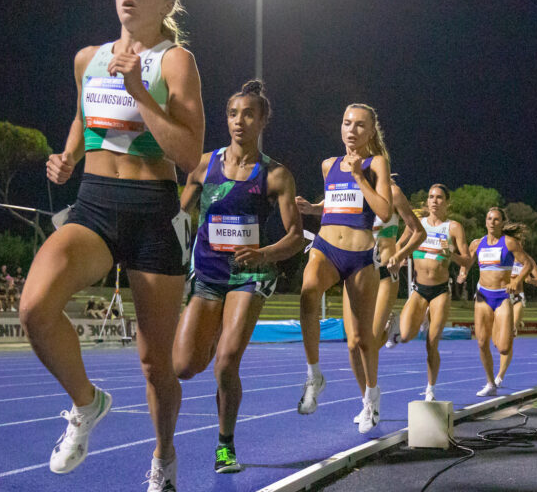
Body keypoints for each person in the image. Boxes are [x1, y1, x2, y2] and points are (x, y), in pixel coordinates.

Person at [18, 0, 203, 492]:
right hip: (95, 203)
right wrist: (69, 155)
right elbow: (83, 112)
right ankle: (86, 402)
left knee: (154, 363)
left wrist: (141, 93)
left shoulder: (176, 62)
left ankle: (164, 457)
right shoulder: (88, 58)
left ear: (166, 1)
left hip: (153, 212)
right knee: (34, 308)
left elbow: (190, 154)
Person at [173, 80, 303, 473]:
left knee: (226, 364)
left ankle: (225, 446)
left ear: (262, 120)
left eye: (248, 114)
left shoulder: (276, 175)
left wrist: (263, 253)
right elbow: (177, 219)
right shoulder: (203, 166)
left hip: (250, 275)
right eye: (232, 114)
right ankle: (215, 333)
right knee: (183, 366)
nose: (239, 121)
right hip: (208, 274)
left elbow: (296, 238)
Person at [296, 103, 393, 434]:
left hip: (360, 256)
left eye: (360, 125)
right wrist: (313, 207)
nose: (351, 130)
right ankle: (314, 375)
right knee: (308, 293)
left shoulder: (376, 163)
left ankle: (371, 397)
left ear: (370, 131)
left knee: (362, 340)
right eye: (347, 123)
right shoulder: (328, 165)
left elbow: (383, 208)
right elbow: (335, 198)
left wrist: (358, 176)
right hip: (326, 246)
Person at [296, 175, 425, 423]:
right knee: (354, 343)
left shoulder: (393, 193)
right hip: (357, 267)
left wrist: (399, 253)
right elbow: (331, 203)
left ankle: (388, 326)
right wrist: (312, 209)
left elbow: (417, 230)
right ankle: (367, 402)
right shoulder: (352, 188)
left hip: (385, 272)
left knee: (369, 342)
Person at [392, 184, 472, 402]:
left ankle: (430, 388)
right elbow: (399, 245)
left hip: (440, 291)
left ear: (447, 202)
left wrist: (452, 255)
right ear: (426, 202)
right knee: (407, 336)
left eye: (439, 197)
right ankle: (396, 326)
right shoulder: (417, 225)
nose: (434, 201)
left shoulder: (453, 227)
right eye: (431, 197)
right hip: (418, 288)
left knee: (432, 341)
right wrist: (396, 259)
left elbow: (467, 260)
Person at [457, 207, 534, 397]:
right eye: (489, 219)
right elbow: (467, 261)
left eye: (497, 219)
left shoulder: (509, 243)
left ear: (502, 223)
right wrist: (463, 272)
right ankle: (490, 383)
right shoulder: (477, 243)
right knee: (482, 342)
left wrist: (516, 281)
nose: (492, 222)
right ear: (485, 222)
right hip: (483, 295)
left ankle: (501, 347)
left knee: (503, 347)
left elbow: (528, 264)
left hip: (502, 297)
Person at [492, 252, 537, 385]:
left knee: (508, 335)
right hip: (501, 298)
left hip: (517, 298)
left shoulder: (527, 260)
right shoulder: (501, 254)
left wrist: (531, 281)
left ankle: (499, 376)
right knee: (497, 342)